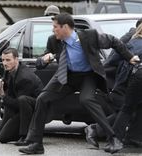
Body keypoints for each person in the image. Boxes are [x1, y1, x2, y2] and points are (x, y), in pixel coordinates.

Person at [18, 13, 139, 155]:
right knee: (42, 99)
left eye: (55, 27)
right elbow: (39, 64)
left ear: (65, 27)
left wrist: (130, 57)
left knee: (86, 99)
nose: (53, 30)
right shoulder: (54, 41)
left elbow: (113, 41)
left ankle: (113, 138)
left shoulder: (89, 37)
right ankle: (36, 143)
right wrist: (44, 60)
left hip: (88, 76)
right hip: (67, 76)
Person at [84, 17, 142, 148]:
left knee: (134, 108)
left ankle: (132, 138)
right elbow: (111, 61)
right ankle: (96, 129)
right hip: (118, 82)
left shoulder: (132, 38)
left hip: (129, 81)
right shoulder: (131, 39)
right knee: (127, 110)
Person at [0, 48, 43, 145]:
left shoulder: (24, 78)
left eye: (8, 60)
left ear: (16, 59)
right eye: (3, 60)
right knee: (2, 138)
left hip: (37, 110)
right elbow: (8, 84)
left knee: (22, 99)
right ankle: (4, 126)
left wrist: (2, 95)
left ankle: (26, 136)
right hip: (23, 108)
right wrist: (0, 81)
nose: (4, 63)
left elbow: (18, 104)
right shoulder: (9, 69)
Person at [105, 24, 142, 152]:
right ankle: (129, 139)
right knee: (130, 108)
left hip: (134, 78)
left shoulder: (132, 42)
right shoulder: (134, 42)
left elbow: (112, 60)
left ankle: (120, 140)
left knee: (129, 108)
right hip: (137, 77)